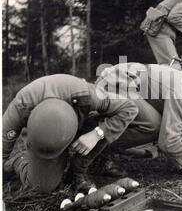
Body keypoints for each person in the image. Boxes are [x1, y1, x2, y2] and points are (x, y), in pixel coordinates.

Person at [2, 74, 138, 193]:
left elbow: (129, 108)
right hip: (45, 139)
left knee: (101, 127)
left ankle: (76, 172)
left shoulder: (87, 94)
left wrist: (97, 133)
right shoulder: (20, 106)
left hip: (80, 121)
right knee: (41, 187)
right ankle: (18, 160)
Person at [95, 62, 182, 171]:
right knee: (153, 126)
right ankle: (100, 150)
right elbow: (168, 141)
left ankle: (102, 145)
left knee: (155, 123)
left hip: (120, 82)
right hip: (112, 86)